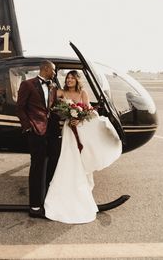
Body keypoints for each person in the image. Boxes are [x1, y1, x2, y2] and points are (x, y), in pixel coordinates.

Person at [44, 70, 122, 224]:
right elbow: (50, 98)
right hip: (68, 128)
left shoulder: (83, 92)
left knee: (79, 157)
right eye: (68, 78)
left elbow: (88, 111)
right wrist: (66, 114)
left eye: (72, 78)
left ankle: (80, 183)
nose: (69, 80)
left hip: (79, 128)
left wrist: (79, 119)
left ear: (77, 80)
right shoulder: (61, 92)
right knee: (67, 155)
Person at [16, 60, 61, 219]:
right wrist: (28, 127)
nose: (55, 74)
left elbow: (53, 109)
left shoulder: (53, 86)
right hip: (36, 132)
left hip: (52, 133)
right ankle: (34, 205)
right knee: (37, 167)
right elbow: (20, 107)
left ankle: (48, 200)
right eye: (54, 70)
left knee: (52, 165)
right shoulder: (27, 85)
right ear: (46, 69)